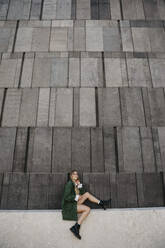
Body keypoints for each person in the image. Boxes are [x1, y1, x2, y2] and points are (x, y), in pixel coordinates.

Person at [61, 169, 111, 240]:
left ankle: (101, 203)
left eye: (77, 174)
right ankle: (76, 226)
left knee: (87, 194)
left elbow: (83, 192)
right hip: (68, 206)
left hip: (73, 203)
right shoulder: (69, 184)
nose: (76, 175)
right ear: (71, 176)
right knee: (87, 209)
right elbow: (66, 197)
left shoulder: (75, 184)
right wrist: (77, 197)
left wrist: (79, 186)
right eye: (74, 174)